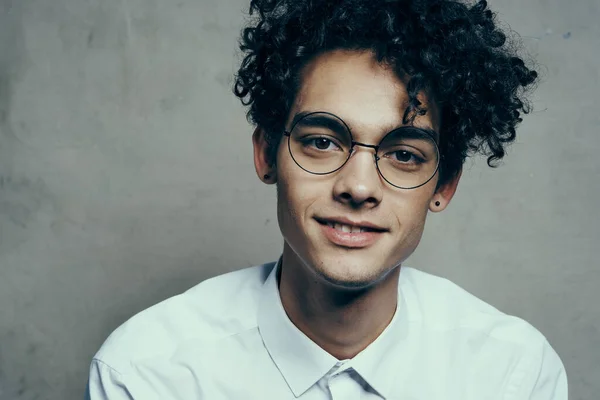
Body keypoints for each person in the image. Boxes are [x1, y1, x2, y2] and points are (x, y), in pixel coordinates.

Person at [85, 0, 568, 398]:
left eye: (403, 153)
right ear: (266, 153)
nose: (358, 187)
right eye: (322, 141)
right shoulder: (147, 374)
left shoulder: (513, 376)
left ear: (444, 185)